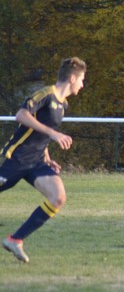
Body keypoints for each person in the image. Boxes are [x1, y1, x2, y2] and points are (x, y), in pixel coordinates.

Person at [2, 57, 87, 263]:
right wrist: (53, 134)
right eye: (82, 79)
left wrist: (47, 158)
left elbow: (42, 135)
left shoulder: (63, 104)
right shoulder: (46, 94)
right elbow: (21, 115)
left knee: (58, 197)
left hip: (37, 162)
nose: (82, 84)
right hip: (17, 158)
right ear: (72, 78)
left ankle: (15, 240)